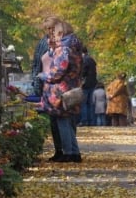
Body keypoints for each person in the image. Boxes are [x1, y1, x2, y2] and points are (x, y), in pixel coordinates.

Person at [37, 20, 84, 162]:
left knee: (62, 121)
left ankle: (68, 152)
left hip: (60, 91)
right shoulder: (74, 47)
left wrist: (43, 76)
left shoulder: (64, 48)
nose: (53, 36)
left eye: (55, 33)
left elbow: (58, 70)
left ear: (61, 33)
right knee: (68, 121)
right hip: (71, 87)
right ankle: (74, 152)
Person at [31, 16, 62, 160]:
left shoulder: (63, 42)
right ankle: (59, 150)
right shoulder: (42, 43)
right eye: (48, 28)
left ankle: (66, 150)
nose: (50, 31)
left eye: (53, 28)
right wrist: (36, 83)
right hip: (46, 87)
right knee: (53, 120)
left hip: (60, 85)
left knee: (63, 119)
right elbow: (36, 64)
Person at [79, 50, 98, 126]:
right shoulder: (92, 60)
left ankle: (84, 120)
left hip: (85, 84)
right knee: (91, 104)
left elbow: (83, 72)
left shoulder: (84, 60)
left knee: (84, 103)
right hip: (93, 83)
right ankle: (92, 121)